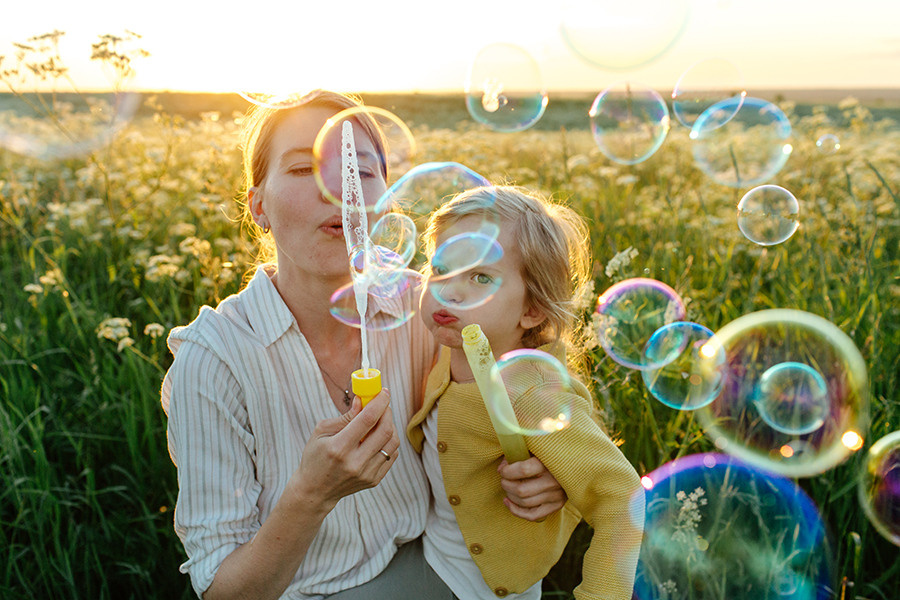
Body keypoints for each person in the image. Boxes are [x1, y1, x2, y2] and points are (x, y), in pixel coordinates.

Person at [160, 90, 567, 600]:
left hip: (439, 565)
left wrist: (549, 474)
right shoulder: (214, 358)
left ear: (384, 202)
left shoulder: (428, 310)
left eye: (360, 169)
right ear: (258, 206)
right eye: (304, 170)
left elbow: (534, 385)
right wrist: (311, 494)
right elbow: (224, 592)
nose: (339, 189)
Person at [407, 186, 645, 600]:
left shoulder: (530, 393)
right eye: (441, 268)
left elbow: (623, 498)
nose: (449, 290)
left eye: (481, 277)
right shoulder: (448, 345)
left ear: (532, 310)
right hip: (431, 560)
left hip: (489, 586)